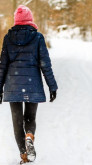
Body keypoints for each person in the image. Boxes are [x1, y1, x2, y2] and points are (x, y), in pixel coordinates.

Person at [0, 5, 58, 164]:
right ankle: (29, 135)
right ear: (30, 19)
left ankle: (24, 155)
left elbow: (2, 65)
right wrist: (52, 86)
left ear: (16, 21)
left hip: (13, 84)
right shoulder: (38, 37)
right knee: (30, 117)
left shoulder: (8, 38)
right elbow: (45, 64)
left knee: (17, 121)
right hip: (32, 84)